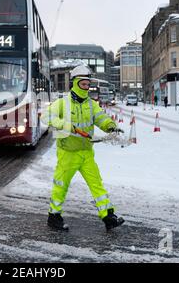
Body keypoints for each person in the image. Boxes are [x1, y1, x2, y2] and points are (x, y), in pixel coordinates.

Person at [41, 65, 125, 232]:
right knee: (61, 185)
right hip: (67, 153)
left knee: (97, 185)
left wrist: (110, 126)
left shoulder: (91, 104)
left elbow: (101, 117)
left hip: (86, 153)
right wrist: (66, 126)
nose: (87, 88)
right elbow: (46, 116)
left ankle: (108, 217)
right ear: (75, 83)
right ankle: (54, 216)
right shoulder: (62, 103)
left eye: (88, 84)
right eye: (84, 84)